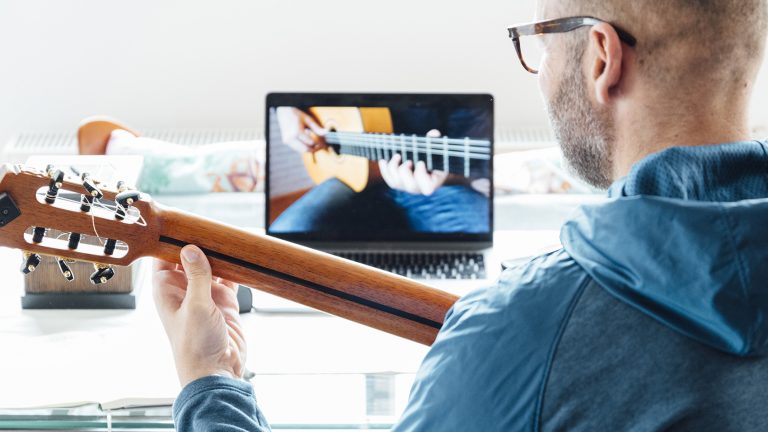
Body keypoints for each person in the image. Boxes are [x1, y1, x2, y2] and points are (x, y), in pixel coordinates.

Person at [153, 0, 768, 430]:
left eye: (539, 41)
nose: (540, 70)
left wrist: (213, 382)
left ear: (601, 58)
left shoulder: (511, 338)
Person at [269, 106, 492, 234]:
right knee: (286, 239)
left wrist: (451, 176)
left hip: (435, 185)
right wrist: (285, 108)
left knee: (480, 236)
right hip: (347, 178)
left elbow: (473, 154)